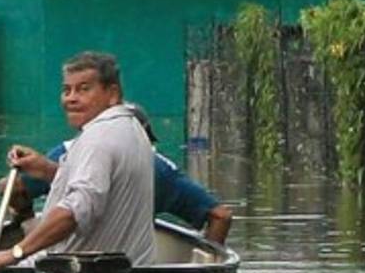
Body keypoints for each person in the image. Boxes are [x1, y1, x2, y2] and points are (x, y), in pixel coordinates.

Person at [0, 51, 156, 273]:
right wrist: (49, 170)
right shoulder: (132, 128)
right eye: (66, 90)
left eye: (83, 89)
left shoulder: (97, 139)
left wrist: (14, 253)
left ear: (112, 94)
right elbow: (101, 185)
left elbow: (75, 211)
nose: (71, 98)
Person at [12, 104, 234, 245]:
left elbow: (11, 188)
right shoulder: (161, 171)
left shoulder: (67, 153)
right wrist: (211, 261)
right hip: (131, 264)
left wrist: (27, 222)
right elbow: (220, 216)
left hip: (64, 256)